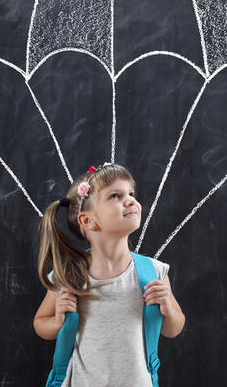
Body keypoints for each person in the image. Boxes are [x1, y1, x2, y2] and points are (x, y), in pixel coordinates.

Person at [34, 163, 185, 386]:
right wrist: (57, 321)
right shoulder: (69, 275)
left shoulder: (154, 272)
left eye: (131, 193)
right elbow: (40, 324)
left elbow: (173, 329)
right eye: (115, 195)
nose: (130, 200)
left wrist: (168, 308)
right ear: (87, 220)